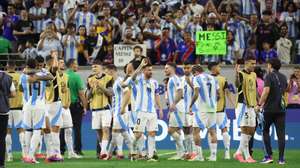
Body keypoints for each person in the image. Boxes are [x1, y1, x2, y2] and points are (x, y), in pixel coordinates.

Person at [21, 58, 54, 164]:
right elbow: (51, 78)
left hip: (26, 105)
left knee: (28, 130)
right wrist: (42, 78)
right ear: (36, 65)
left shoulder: (23, 75)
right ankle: (31, 156)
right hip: (39, 105)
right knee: (37, 130)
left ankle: (26, 156)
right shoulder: (42, 74)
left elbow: (21, 88)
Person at [130, 63, 163, 161]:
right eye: (148, 70)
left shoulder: (154, 82)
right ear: (143, 71)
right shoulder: (139, 79)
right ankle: (133, 151)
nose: (150, 72)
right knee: (138, 134)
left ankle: (151, 155)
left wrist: (160, 108)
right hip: (141, 111)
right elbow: (132, 77)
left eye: (151, 70)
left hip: (152, 111)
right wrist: (140, 66)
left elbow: (156, 95)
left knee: (152, 133)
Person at [258, 58, 288, 165]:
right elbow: (285, 93)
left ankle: (268, 156)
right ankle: (281, 159)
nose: (267, 66)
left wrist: (259, 104)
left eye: (268, 65)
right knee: (281, 134)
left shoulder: (269, 76)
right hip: (281, 110)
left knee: (265, 131)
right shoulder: (284, 77)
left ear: (270, 65)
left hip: (269, 109)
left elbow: (266, 92)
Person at [189, 64, 219, 162]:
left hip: (202, 108)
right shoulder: (213, 78)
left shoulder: (196, 78)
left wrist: (190, 105)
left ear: (195, 72)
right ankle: (213, 156)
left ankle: (200, 156)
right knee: (213, 131)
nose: (193, 76)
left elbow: (196, 93)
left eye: (193, 74)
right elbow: (218, 94)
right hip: (213, 107)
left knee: (195, 131)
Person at [86, 60, 113, 159]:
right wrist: (92, 88)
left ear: (101, 67)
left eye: (96, 66)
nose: (94, 69)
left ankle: (102, 152)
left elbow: (111, 93)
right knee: (98, 132)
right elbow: (88, 97)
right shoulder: (89, 79)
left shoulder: (108, 78)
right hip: (95, 109)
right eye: (92, 67)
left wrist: (101, 87)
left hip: (106, 108)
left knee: (106, 129)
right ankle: (105, 152)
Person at [208, 62, 234, 160]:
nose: (220, 68)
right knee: (224, 130)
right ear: (214, 68)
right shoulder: (223, 79)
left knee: (211, 132)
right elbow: (227, 93)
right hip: (220, 110)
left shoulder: (206, 79)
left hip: (209, 110)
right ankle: (227, 153)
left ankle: (212, 154)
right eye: (219, 66)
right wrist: (233, 103)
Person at [234, 56, 257, 163]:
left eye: (255, 63)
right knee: (245, 129)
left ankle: (238, 152)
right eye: (252, 63)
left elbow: (254, 90)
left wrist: (259, 104)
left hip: (252, 106)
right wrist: (236, 74)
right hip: (242, 105)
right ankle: (247, 156)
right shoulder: (241, 74)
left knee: (251, 130)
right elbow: (237, 84)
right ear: (246, 63)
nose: (254, 65)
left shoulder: (254, 74)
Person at [56, 58, 81, 159]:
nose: (62, 64)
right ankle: (56, 152)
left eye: (63, 62)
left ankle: (71, 152)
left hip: (66, 107)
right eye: (60, 62)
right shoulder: (52, 75)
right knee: (56, 130)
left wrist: (68, 102)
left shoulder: (66, 76)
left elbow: (67, 91)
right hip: (55, 106)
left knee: (69, 129)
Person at [66, 59, 87, 155]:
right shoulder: (76, 77)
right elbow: (81, 93)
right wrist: (85, 106)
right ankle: (77, 150)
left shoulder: (63, 76)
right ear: (72, 65)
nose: (77, 65)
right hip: (75, 105)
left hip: (64, 106)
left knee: (63, 128)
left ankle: (61, 149)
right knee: (77, 129)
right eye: (76, 64)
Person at [164, 62, 185, 160]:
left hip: (177, 107)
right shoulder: (171, 79)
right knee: (178, 131)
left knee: (171, 130)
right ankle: (180, 153)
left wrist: (173, 104)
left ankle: (183, 151)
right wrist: (170, 109)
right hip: (175, 108)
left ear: (172, 68)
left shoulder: (175, 78)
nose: (165, 70)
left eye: (167, 68)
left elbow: (180, 92)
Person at [5, 60, 25, 162]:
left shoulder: (3, 77)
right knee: (21, 130)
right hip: (18, 108)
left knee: (7, 132)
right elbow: (23, 90)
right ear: (15, 67)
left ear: (6, 67)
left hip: (6, 108)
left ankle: (9, 155)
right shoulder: (20, 76)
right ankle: (24, 154)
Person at [0, 68, 16, 168]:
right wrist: (5, 96)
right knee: (1, 138)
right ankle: (1, 163)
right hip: (3, 111)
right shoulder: (7, 77)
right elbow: (13, 94)